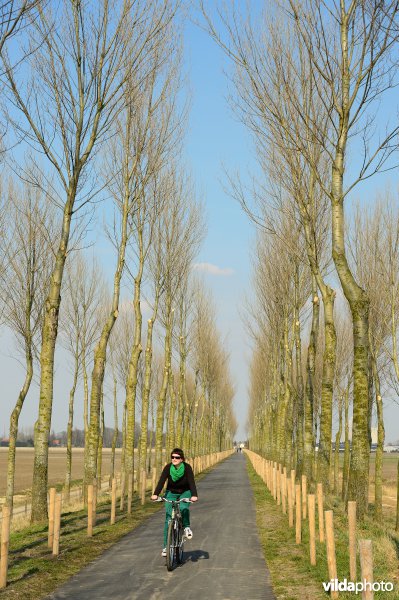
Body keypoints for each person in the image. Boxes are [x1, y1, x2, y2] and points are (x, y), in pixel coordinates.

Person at [151, 447, 198, 557]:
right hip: (171, 492)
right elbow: (162, 481)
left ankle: (186, 527)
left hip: (185, 492)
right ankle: (165, 547)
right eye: (172, 457)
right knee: (168, 519)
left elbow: (191, 482)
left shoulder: (187, 468)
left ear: (182, 459)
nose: (174, 459)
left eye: (177, 457)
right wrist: (155, 494)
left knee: (183, 507)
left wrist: (194, 495)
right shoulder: (168, 468)